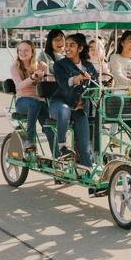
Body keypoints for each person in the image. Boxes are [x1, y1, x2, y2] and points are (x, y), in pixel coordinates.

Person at [49, 33, 97, 168]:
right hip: (59, 104)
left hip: (79, 109)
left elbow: (95, 85)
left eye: (72, 45)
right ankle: (62, 146)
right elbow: (63, 83)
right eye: (67, 45)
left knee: (84, 145)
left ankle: (89, 174)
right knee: (64, 111)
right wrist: (78, 79)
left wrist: (95, 82)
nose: (67, 48)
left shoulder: (88, 65)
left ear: (80, 49)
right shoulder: (60, 65)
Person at [10, 40, 55, 152]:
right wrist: (33, 77)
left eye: (26, 50)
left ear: (32, 52)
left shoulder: (41, 66)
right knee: (34, 103)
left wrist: (47, 75)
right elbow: (19, 86)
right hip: (22, 102)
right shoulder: (15, 67)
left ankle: (57, 159)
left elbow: (50, 82)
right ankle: (29, 140)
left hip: (40, 102)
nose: (22, 52)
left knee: (50, 129)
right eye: (20, 50)